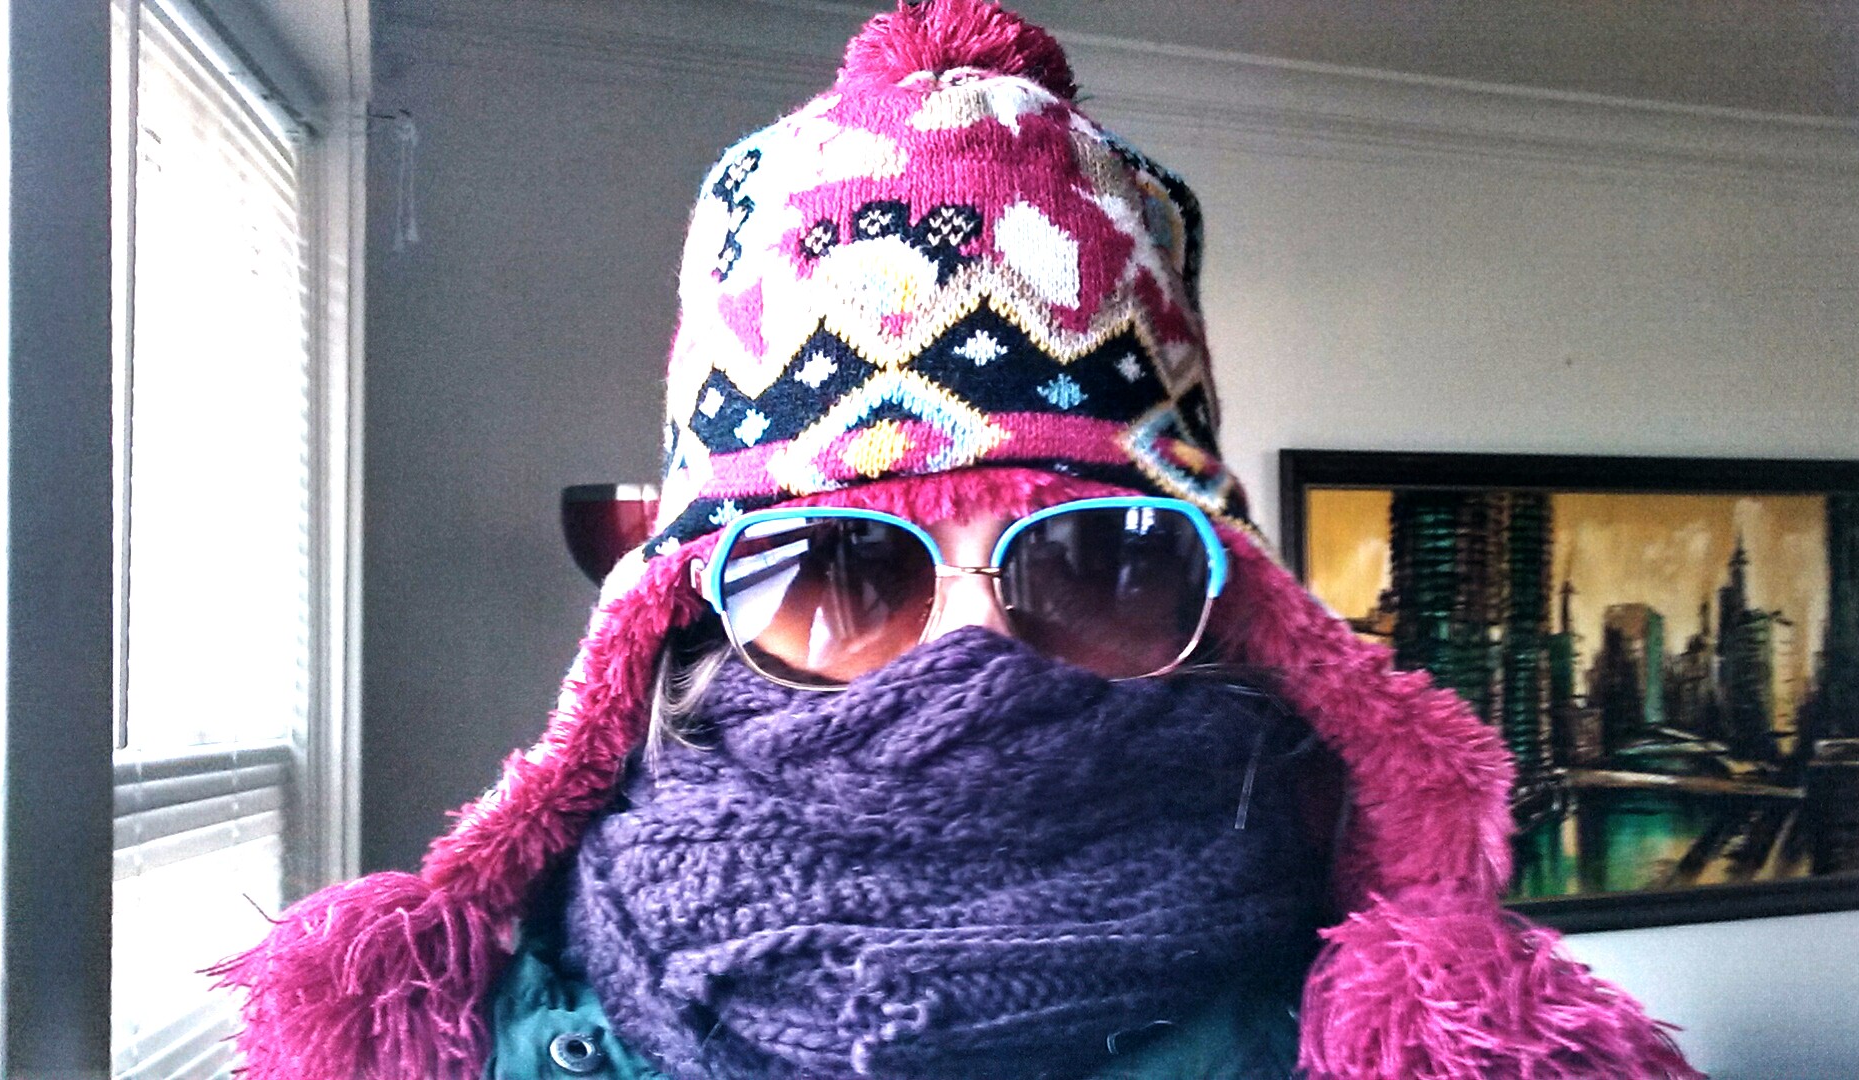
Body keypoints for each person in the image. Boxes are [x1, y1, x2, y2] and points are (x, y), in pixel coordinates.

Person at [215, 2, 1701, 1077]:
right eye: (845, 570)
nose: (976, 647)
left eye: (1102, 564)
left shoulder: (1380, 1038)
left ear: (1229, 610)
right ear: (684, 623)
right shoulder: (477, 1033)